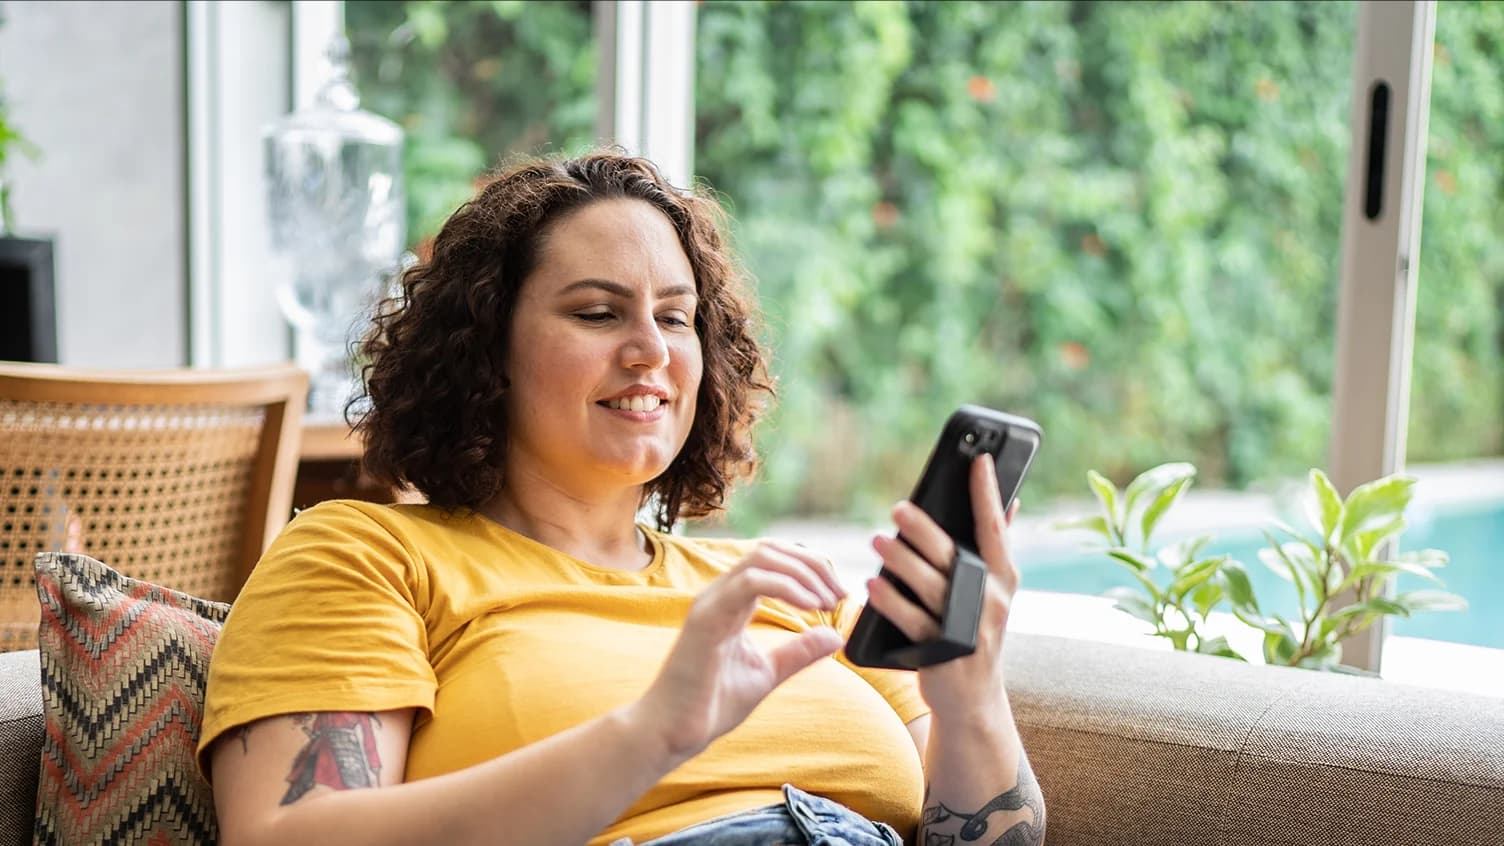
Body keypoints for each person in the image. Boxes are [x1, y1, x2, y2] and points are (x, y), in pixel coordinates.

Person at [197, 149, 1046, 846]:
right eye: (599, 313)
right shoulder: (368, 556)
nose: (651, 350)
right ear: (486, 350)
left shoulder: (779, 587)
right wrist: (651, 736)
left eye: (676, 319)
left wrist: (971, 695)